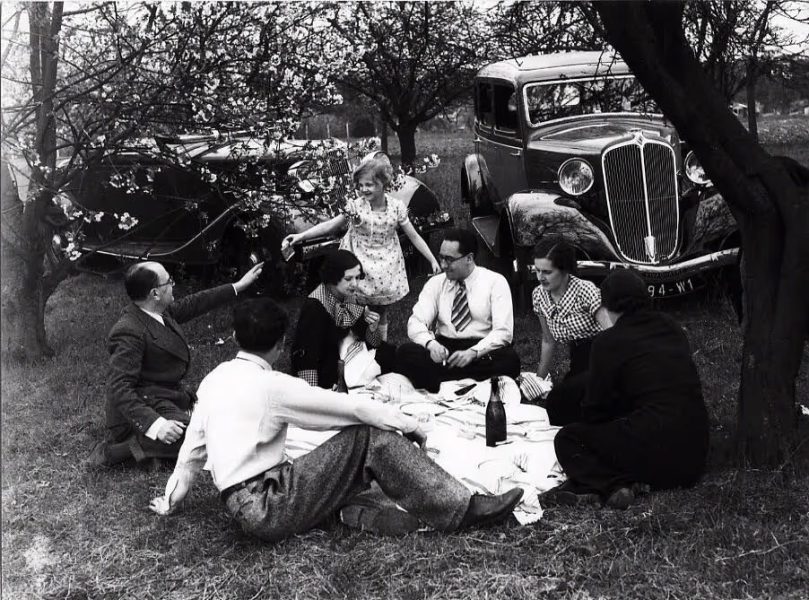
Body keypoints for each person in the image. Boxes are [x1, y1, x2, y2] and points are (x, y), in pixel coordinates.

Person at [148, 298, 524, 541]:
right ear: (280, 345)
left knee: (353, 456)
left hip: (242, 506)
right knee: (369, 437)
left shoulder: (214, 380)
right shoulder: (272, 384)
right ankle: (463, 509)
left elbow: (192, 453)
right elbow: (350, 409)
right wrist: (407, 423)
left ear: (233, 337)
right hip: (268, 504)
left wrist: (170, 500)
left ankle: (361, 508)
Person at [542, 270, 709, 509]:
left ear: (607, 306)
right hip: (695, 455)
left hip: (656, 453)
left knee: (569, 439)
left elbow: (594, 412)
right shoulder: (672, 328)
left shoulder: (608, 341)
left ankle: (613, 485)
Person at [89, 261, 264, 467]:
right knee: (207, 440)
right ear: (155, 294)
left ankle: (163, 443)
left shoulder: (159, 311)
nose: (174, 284)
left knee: (219, 423)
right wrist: (156, 424)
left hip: (164, 397)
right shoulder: (128, 331)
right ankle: (124, 450)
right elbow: (119, 387)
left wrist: (238, 286)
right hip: (139, 409)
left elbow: (196, 302)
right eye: (169, 281)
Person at [282, 152, 440, 340]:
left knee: (380, 311)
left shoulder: (396, 207)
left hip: (385, 265)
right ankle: (351, 345)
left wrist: (432, 259)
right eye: (361, 185)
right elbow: (331, 226)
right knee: (352, 308)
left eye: (369, 185)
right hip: (357, 262)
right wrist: (300, 236)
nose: (364, 190)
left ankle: (380, 345)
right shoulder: (356, 206)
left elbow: (414, 236)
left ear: (383, 184)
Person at [396, 228, 520, 392]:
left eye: (449, 260)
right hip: (444, 350)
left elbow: (504, 332)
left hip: (480, 351)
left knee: (509, 360)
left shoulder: (495, 282)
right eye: (441, 258)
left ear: (469, 258)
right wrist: (431, 344)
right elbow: (415, 321)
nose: (443, 265)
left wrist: (473, 352)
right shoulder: (436, 283)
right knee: (405, 352)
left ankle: (439, 382)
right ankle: (463, 382)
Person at [291, 249, 395, 389]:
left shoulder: (348, 296)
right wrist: (312, 394)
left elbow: (373, 343)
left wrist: (372, 328)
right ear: (333, 278)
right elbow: (306, 357)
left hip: (353, 354)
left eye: (357, 278)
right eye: (348, 279)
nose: (355, 284)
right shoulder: (315, 307)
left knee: (398, 354)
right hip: (329, 368)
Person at [531, 238, 604, 425]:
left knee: (580, 404)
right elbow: (548, 340)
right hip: (578, 357)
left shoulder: (585, 291)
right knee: (558, 405)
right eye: (537, 270)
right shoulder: (538, 295)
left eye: (547, 272)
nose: (540, 277)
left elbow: (613, 331)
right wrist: (538, 379)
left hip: (602, 353)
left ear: (564, 270)